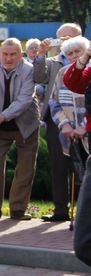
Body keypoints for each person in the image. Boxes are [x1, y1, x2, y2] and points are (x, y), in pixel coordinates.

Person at [0, 38, 40, 220]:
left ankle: (18, 209)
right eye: (5, 54)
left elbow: (24, 100)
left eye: (13, 54)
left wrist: (1, 116)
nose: (9, 58)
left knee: (26, 167)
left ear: (21, 55)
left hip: (25, 124)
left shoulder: (28, 70)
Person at [34, 23, 84, 222]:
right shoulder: (53, 61)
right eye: (61, 38)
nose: (66, 42)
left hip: (83, 121)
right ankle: (61, 209)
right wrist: (40, 55)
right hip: (57, 119)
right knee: (59, 165)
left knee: (82, 166)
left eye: (70, 38)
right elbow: (38, 77)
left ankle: (83, 212)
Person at [49, 37, 89, 160]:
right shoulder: (62, 73)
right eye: (69, 54)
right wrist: (64, 124)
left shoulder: (89, 71)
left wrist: (85, 126)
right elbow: (54, 102)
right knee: (78, 175)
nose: (74, 55)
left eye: (77, 51)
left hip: (87, 132)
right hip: (70, 135)